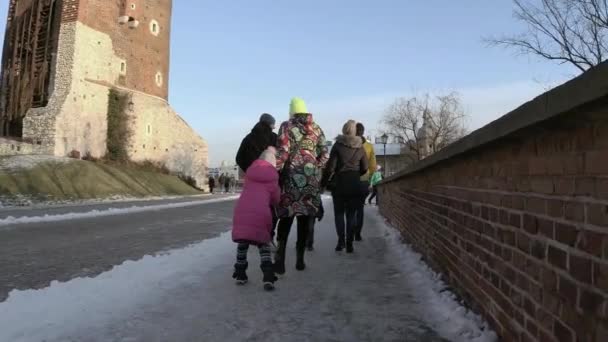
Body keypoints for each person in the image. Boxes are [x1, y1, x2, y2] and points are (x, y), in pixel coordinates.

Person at [274, 97, 329, 274]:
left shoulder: (286, 126)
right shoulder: (317, 128)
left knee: (286, 218)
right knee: (305, 219)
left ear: (292, 111)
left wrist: (275, 170)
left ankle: (280, 260)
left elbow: (282, 154)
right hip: (310, 183)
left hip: (291, 181)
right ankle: (300, 260)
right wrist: (313, 168)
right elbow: (325, 154)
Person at [231, 147, 281, 291]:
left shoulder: (250, 174)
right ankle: (268, 276)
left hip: (241, 210)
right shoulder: (272, 178)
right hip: (261, 212)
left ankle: (240, 274)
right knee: (263, 243)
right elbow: (276, 199)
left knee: (243, 241)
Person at [322, 120, 368, 253]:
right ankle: (349, 243)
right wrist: (356, 173)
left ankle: (340, 241)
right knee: (351, 214)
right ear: (354, 131)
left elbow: (330, 167)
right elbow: (365, 168)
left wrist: (324, 182)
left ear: (343, 130)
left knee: (339, 214)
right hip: (354, 183)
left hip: (340, 183)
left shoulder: (337, 145)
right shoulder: (360, 146)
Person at [353, 123, 377, 241]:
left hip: (350, 179)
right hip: (364, 180)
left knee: (351, 208)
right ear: (363, 132)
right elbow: (373, 166)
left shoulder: (349, 144)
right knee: (359, 208)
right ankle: (357, 233)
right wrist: (370, 178)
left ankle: (350, 231)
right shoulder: (369, 146)